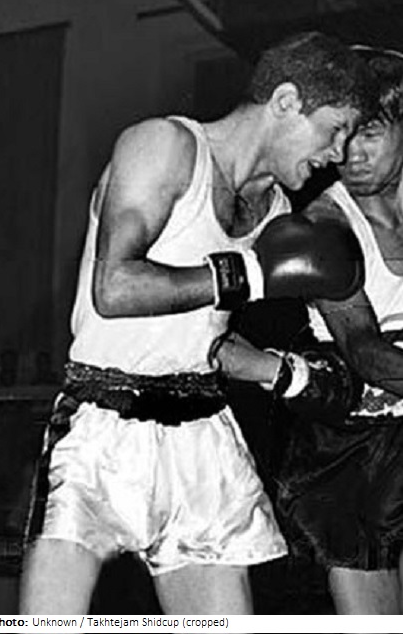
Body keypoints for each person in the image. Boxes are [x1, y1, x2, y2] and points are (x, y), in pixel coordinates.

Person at [19, 31, 376, 615]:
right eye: (335, 129)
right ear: (286, 101)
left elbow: (198, 337)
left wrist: (289, 373)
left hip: (201, 432)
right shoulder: (164, 145)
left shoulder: (276, 211)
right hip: (103, 422)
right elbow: (115, 288)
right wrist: (248, 276)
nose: (337, 154)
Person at [276, 46, 403, 615]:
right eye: (343, 135)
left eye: (369, 133)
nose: (351, 154)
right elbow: (363, 349)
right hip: (350, 455)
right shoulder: (322, 228)